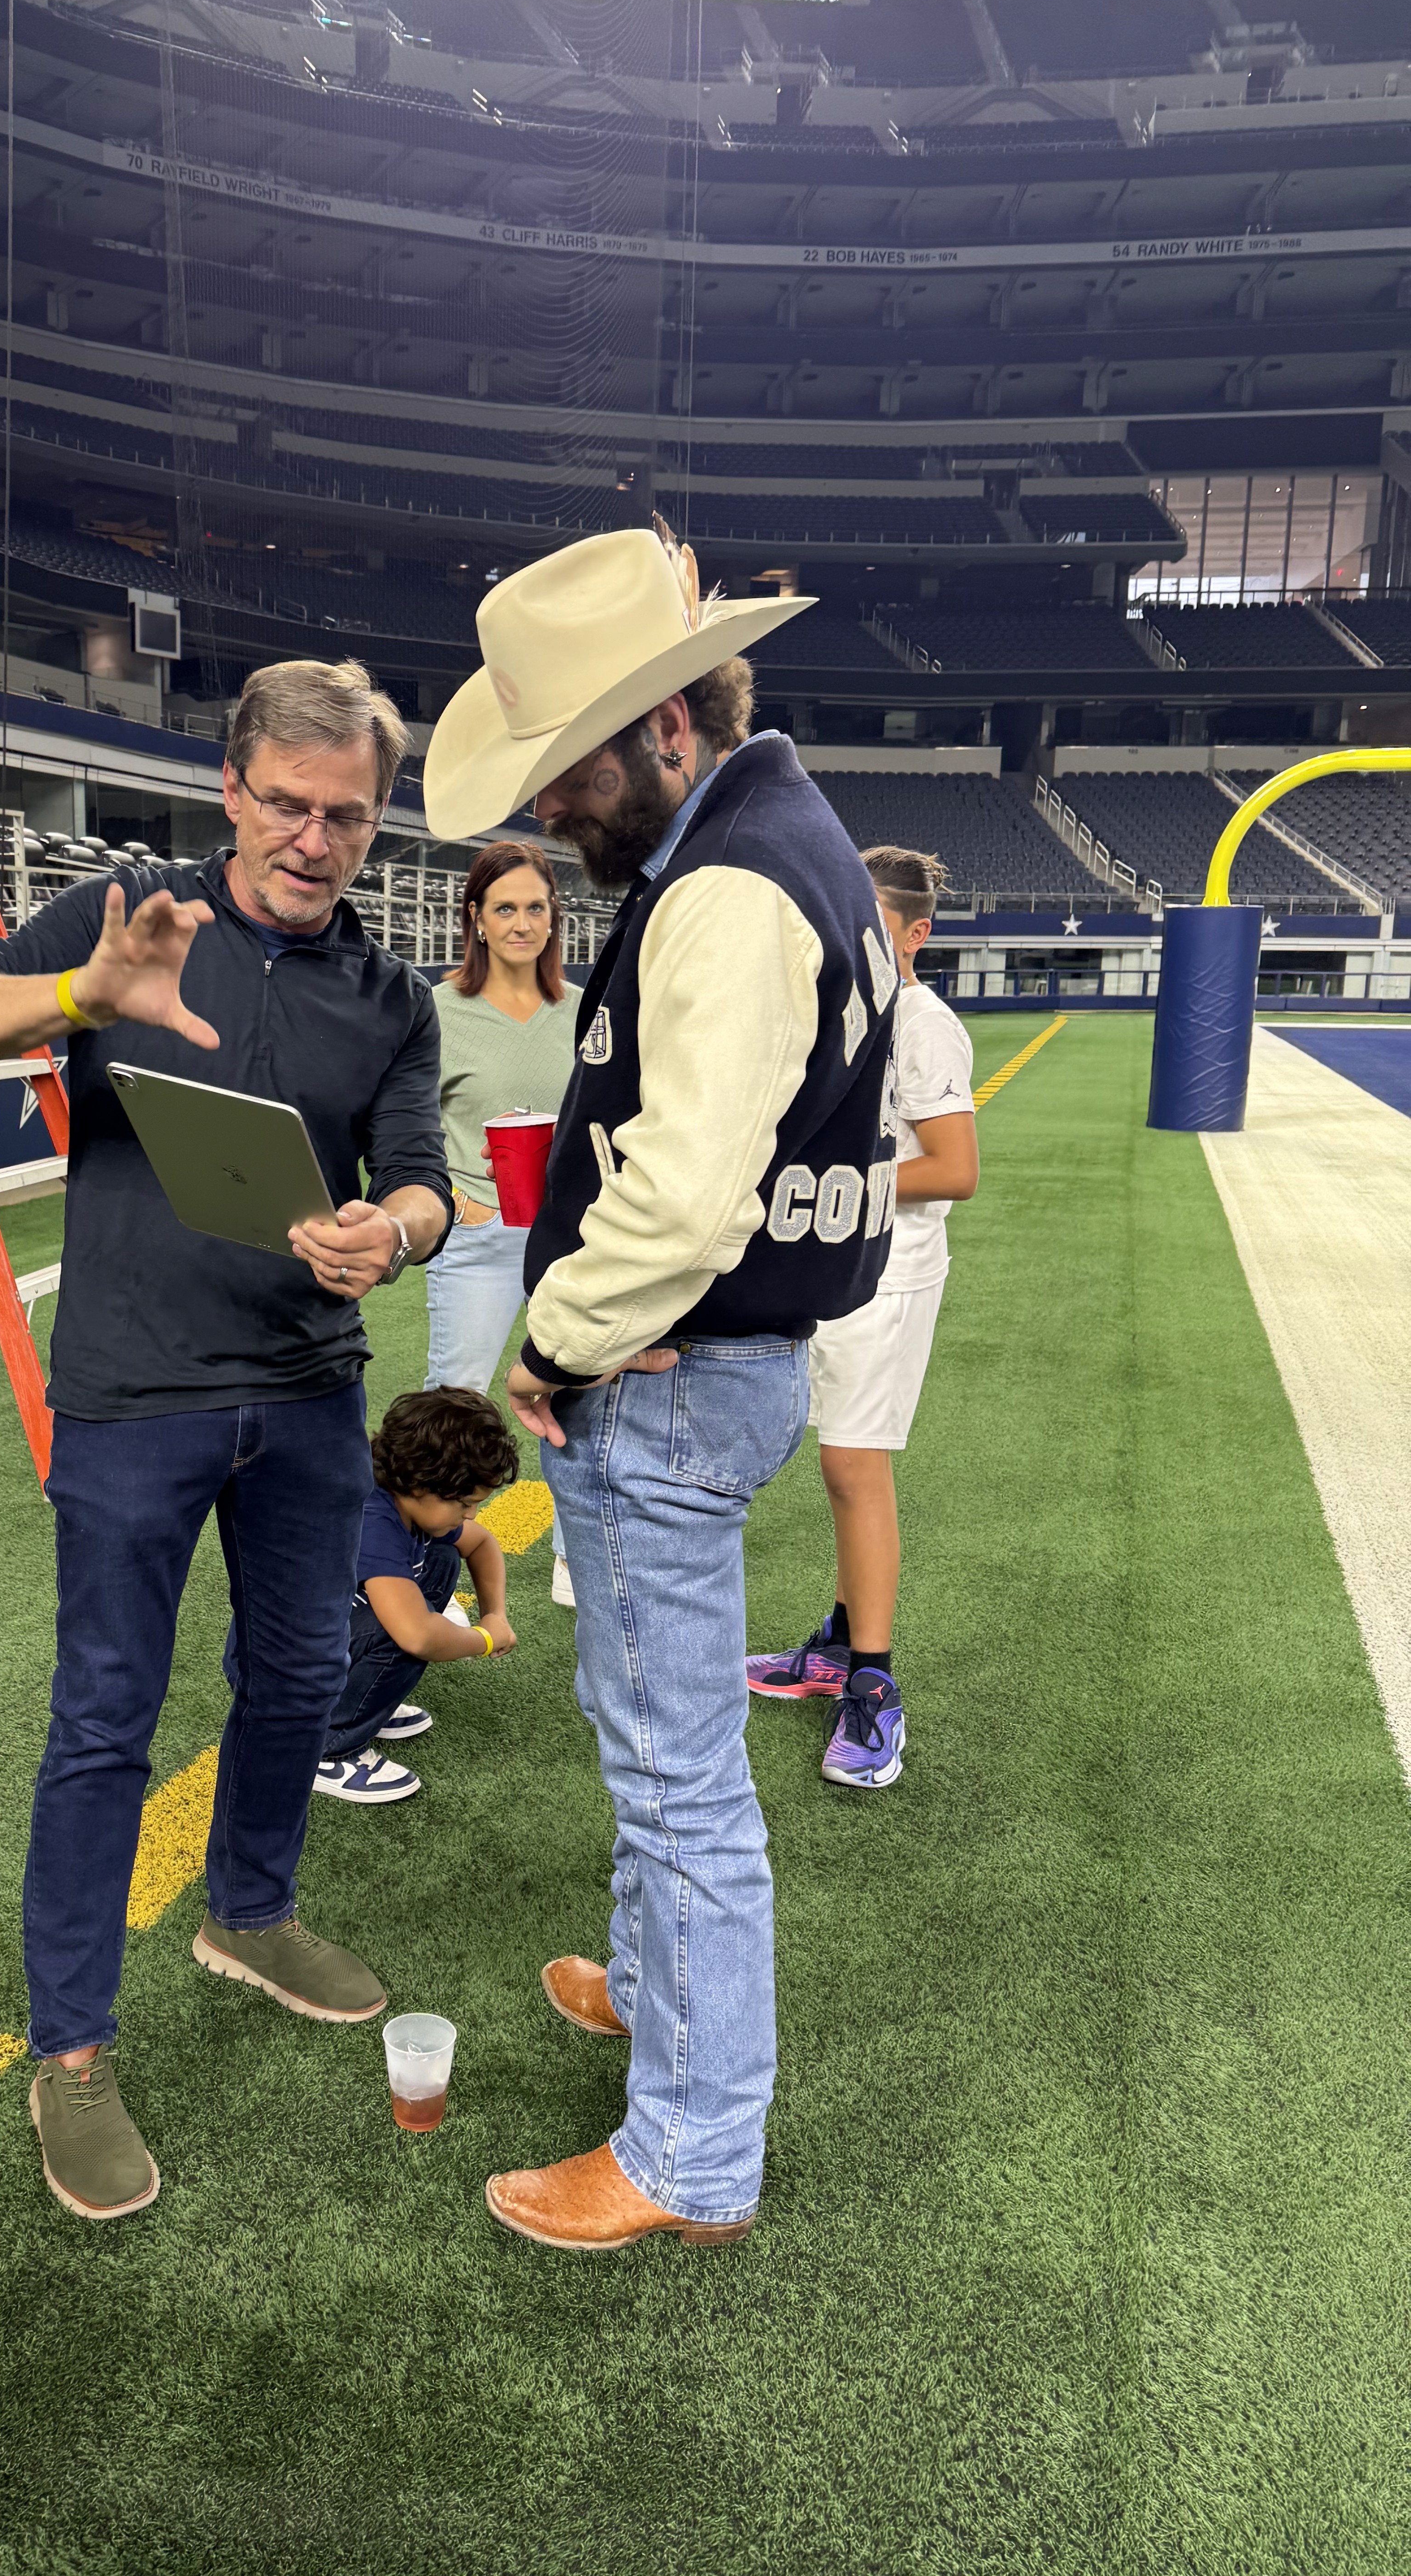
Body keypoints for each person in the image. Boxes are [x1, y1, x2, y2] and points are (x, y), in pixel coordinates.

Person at [0, 657, 451, 2225]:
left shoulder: (391, 996)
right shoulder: (128, 917)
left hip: (308, 1393)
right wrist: (84, 996)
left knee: (294, 1676)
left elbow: (421, 1173)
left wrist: (392, 1235)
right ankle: (69, 2051)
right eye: (288, 804)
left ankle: (248, 1913)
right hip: (132, 1397)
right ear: (232, 791)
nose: (314, 839)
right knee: (103, 1722)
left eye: (348, 815)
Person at [422, 521, 899, 2254]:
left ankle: (691, 2150)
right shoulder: (782, 844)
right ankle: (653, 1984)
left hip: (673, 1378)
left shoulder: (728, 886)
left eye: (571, 768)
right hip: (724, 1364)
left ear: (671, 726)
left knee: (674, 1773)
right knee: (655, 1747)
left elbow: (687, 1204)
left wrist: (549, 1339)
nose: (551, 808)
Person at [746, 845, 979, 1790]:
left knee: (853, 1462)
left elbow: (955, 1169)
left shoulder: (922, 1024)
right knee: (836, 1458)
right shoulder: (835, 1009)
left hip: (890, 1269)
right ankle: (840, 1644)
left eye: (875, 925)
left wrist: (825, 1181)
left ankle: (874, 1684)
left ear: (916, 935)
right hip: (834, 1260)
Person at [426, 839, 580, 1607]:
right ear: (476, 920)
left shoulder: (582, 1011)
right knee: (452, 1409)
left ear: (554, 918)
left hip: (571, 1244)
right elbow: (403, 1124)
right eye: (505, 908)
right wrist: (451, 1198)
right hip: (478, 1239)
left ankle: (575, 1563)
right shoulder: (439, 1011)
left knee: (580, 1400)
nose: (522, 923)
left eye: (535, 908)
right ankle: (428, 1576)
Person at [308, 1386, 520, 1805]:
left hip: (320, 1635)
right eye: (465, 1503)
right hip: (282, 1664)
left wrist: (496, 1613)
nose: (471, 1514)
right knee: (403, 1631)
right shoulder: (374, 1518)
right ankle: (328, 1746)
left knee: (442, 1557)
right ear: (422, 1483)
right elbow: (418, 1636)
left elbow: (482, 1544)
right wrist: (485, 1639)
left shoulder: (403, 1498)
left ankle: (360, 1702)